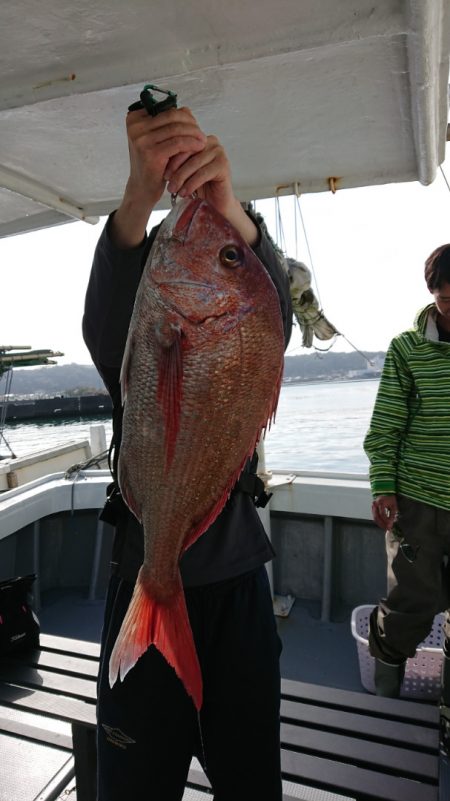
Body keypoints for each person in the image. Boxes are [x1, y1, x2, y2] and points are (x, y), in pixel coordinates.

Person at [82, 104, 292, 800]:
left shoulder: (245, 303)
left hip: (235, 586)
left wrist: (232, 210)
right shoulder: (149, 305)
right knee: (134, 784)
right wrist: (137, 201)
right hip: (145, 564)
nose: (212, 224)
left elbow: (270, 315)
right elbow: (107, 333)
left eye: (232, 246)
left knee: (251, 779)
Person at [364, 244, 450, 700]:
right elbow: (386, 426)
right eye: (448, 299)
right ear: (433, 295)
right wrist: (384, 487)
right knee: (409, 607)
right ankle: (385, 693)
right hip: (418, 502)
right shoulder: (407, 350)